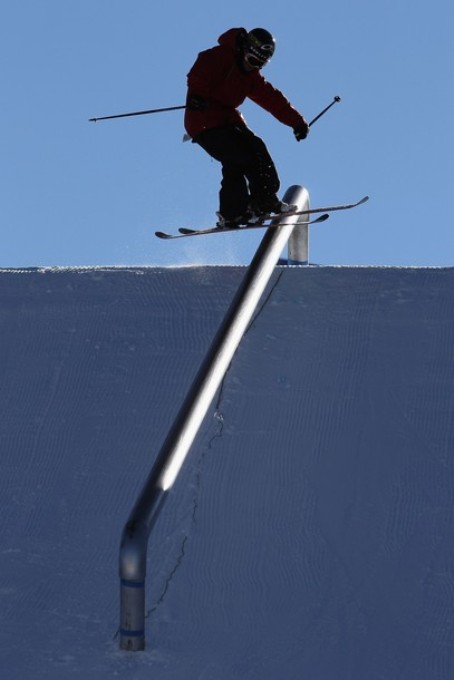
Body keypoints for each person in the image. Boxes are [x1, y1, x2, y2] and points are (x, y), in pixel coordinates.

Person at [184, 27, 310, 229]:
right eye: (252, 60)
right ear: (244, 48)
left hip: (228, 120)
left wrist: (297, 122)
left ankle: (264, 199)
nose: (253, 67)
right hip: (203, 121)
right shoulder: (220, 56)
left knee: (257, 149)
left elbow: (272, 99)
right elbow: (199, 73)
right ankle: (232, 213)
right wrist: (197, 96)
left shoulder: (251, 77)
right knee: (237, 158)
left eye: (259, 64)